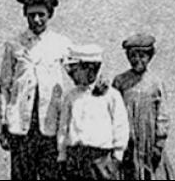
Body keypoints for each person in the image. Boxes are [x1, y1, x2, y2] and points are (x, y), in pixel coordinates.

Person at [0, 0, 72, 181]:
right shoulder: (14, 44)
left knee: (51, 175)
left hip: (49, 125)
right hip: (22, 125)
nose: (37, 20)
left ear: (50, 15)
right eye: (32, 15)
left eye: (42, 15)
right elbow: (5, 86)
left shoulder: (61, 44)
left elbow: (78, 76)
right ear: (25, 15)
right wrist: (5, 121)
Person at [54, 45, 130, 179]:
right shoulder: (71, 96)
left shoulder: (111, 95)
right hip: (75, 157)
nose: (71, 74)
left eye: (74, 70)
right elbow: (63, 128)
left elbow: (120, 127)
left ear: (90, 68)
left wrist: (117, 157)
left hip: (101, 159)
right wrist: (62, 155)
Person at [112, 34, 172, 181]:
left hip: (149, 140)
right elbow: (112, 111)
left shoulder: (155, 82)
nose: (137, 60)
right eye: (133, 55)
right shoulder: (120, 81)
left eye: (142, 56)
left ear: (150, 57)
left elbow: (162, 114)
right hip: (127, 140)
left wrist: (159, 143)